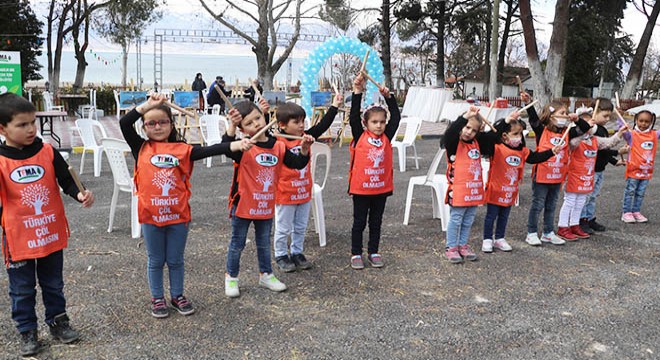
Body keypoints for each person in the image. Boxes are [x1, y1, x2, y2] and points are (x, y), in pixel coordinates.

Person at [120, 93, 246, 318]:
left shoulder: (183, 150)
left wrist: (234, 137)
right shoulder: (140, 147)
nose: (157, 127)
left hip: (178, 217)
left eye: (163, 122)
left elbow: (216, 149)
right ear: (144, 127)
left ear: (171, 124)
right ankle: (157, 298)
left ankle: (177, 295)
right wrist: (148, 105)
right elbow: (124, 123)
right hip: (151, 217)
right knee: (156, 260)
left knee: (176, 260)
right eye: (151, 123)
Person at [0, 93, 95, 356]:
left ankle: (58, 321)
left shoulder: (47, 151)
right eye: (22, 125)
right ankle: (27, 331)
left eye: (33, 122)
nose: (31, 129)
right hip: (18, 238)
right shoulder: (1, 159)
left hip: (49, 232)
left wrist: (80, 193)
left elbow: (66, 179)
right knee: (21, 289)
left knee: (53, 283)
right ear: (2, 129)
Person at [222, 100, 314, 297]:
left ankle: (266, 274)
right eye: (249, 123)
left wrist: (304, 148)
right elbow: (224, 147)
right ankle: (231, 277)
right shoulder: (243, 146)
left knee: (263, 241)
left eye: (258, 118)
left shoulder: (278, 145)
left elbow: (296, 163)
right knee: (237, 243)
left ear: (265, 117)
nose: (256, 124)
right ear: (243, 129)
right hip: (243, 204)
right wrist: (231, 126)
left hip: (265, 204)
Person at [273, 93, 343, 272]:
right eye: (296, 122)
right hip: (285, 193)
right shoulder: (277, 142)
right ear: (282, 125)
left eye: (303, 121)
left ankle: (297, 252)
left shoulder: (306, 135)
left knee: (301, 226)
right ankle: (281, 254)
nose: (301, 126)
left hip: (304, 191)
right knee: (283, 227)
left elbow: (323, 125)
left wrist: (334, 105)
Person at [480, 111, 560, 253]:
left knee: (504, 216)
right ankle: (487, 239)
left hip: (510, 191)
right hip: (495, 190)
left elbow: (535, 157)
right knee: (491, 216)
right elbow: (488, 138)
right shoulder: (496, 148)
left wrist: (551, 152)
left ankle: (499, 238)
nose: (519, 137)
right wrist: (505, 121)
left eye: (520, 134)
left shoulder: (522, 151)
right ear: (504, 136)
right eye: (515, 134)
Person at [348, 73, 400, 269]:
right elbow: (353, 115)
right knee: (359, 222)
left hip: (381, 189)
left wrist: (389, 97)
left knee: (376, 222)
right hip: (361, 189)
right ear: (365, 123)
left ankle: (373, 251)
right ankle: (356, 253)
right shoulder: (359, 135)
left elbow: (396, 116)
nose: (379, 125)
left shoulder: (387, 135)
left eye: (382, 122)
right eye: (374, 122)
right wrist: (357, 92)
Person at [525, 95, 592, 246]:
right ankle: (532, 232)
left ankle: (548, 232)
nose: (565, 116)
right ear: (551, 116)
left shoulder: (567, 132)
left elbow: (585, 129)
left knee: (551, 205)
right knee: (538, 205)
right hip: (542, 174)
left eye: (566, 113)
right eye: (562, 113)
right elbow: (534, 120)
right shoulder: (542, 131)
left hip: (557, 176)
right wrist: (528, 104)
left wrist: (577, 120)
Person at [556, 111, 627, 241]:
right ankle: (562, 227)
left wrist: (620, 133)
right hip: (573, 176)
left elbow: (609, 143)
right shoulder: (575, 141)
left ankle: (574, 225)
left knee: (581, 202)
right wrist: (583, 129)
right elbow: (575, 140)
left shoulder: (594, 140)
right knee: (570, 201)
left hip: (587, 177)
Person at [441, 106, 488, 263]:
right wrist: (464, 117)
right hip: (459, 191)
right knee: (456, 219)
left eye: (473, 130)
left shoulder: (476, 143)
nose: (469, 132)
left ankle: (463, 245)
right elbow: (449, 134)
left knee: (468, 220)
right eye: (467, 127)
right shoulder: (453, 143)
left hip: (474, 191)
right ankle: (451, 247)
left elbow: (493, 137)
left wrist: (505, 122)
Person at [578, 99, 629, 234]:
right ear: (594, 113)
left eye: (609, 116)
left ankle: (589, 218)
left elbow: (604, 151)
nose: (607, 119)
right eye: (605, 116)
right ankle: (581, 220)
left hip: (600, 169)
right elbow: (601, 149)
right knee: (587, 196)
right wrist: (617, 153)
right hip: (591, 169)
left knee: (593, 196)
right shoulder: (591, 131)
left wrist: (614, 161)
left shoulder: (603, 130)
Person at [618, 110, 659, 223]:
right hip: (633, 171)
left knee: (640, 193)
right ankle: (626, 212)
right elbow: (622, 130)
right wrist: (619, 117)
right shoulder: (631, 135)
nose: (643, 124)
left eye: (647, 121)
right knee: (630, 192)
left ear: (651, 122)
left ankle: (636, 211)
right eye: (641, 121)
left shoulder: (654, 135)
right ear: (636, 120)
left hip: (646, 172)